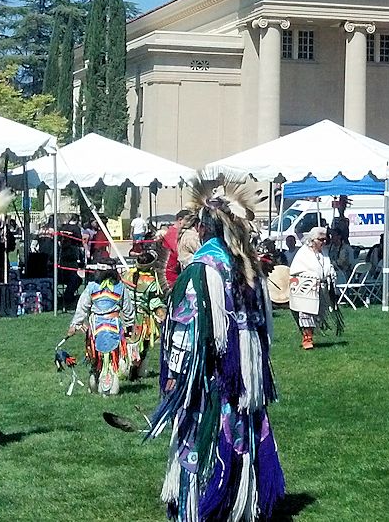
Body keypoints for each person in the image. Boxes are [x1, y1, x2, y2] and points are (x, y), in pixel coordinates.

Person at [147, 175, 285, 521]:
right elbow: (262, 334)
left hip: (210, 382)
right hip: (244, 385)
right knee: (239, 440)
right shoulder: (249, 268)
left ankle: (201, 508)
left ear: (204, 229)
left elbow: (185, 330)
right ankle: (239, 507)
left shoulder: (202, 269)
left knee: (202, 441)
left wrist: (175, 379)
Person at [68, 262, 135, 395]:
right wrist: (129, 326)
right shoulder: (120, 287)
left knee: (96, 356)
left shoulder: (92, 287)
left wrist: (75, 324)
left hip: (96, 327)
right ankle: (107, 378)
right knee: (111, 356)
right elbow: (128, 310)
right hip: (113, 326)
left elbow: (82, 307)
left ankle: (96, 375)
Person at [289, 228, 336, 349]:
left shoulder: (323, 253)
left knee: (317, 315)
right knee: (306, 314)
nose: (323, 242)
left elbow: (326, 266)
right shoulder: (303, 253)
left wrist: (330, 271)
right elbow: (295, 270)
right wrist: (311, 277)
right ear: (312, 240)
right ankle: (307, 338)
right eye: (321, 240)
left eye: (325, 239)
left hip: (320, 289)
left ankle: (310, 335)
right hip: (306, 290)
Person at [123, 249, 167, 380]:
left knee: (128, 342)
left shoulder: (127, 275)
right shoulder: (151, 282)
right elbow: (154, 303)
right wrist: (164, 314)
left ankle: (126, 367)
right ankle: (135, 371)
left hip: (126, 317)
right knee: (142, 345)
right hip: (143, 320)